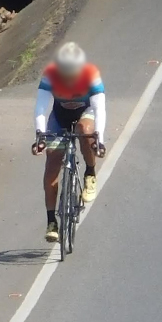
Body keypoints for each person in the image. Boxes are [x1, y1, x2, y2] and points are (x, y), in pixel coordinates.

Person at [33, 41, 108, 242]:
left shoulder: (91, 75)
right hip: (60, 116)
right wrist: (40, 134)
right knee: (51, 165)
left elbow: (99, 108)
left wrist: (98, 137)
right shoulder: (50, 75)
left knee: (85, 131)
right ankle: (51, 221)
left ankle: (90, 173)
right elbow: (41, 107)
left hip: (86, 112)